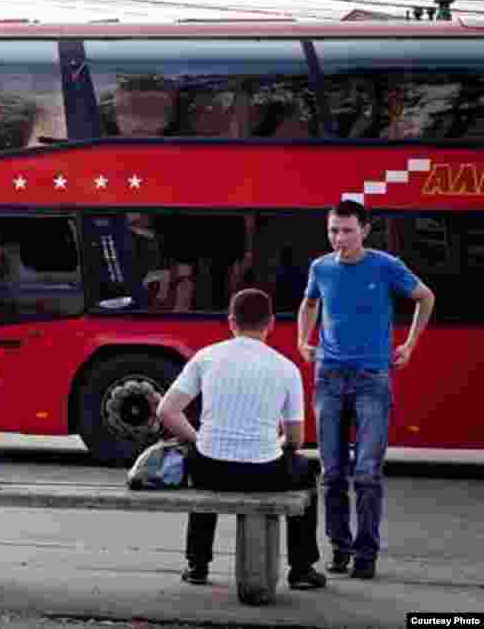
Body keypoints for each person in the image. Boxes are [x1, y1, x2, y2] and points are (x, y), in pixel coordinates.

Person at [298, 200, 435, 580]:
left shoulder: (386, 265)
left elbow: (426, 297)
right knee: (332, 473)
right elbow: (309, 304)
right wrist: (302, 340)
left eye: (346, 230)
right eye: (332, 230)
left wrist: (409, 345)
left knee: (368, 473)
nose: (338, 238)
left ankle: (366, 554)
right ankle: (339, 549)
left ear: (364, 230)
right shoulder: (321, 267)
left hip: (372, 379)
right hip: (328, 378)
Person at [157, 288, 326, 591]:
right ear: (271, 323)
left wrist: (199, 439)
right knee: (305, 471)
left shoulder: (206, 357)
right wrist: (273, 447)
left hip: (212, 469)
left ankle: (197, 565)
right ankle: (301, 568)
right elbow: (296, 439)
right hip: (264, 472)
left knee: (200, 463)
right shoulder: (286, 368)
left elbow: (167, 411)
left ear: (231, 321)